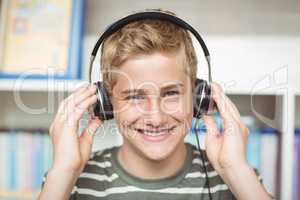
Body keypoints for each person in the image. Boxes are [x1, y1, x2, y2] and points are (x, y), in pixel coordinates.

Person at [38, 9, 272, 200]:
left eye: (171, 93)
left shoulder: (235, 180)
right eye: (135, 97)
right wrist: (63, 173)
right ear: (106, 102)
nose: (156, 117)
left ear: (198, 96)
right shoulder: (70, 183)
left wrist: (237, 172)